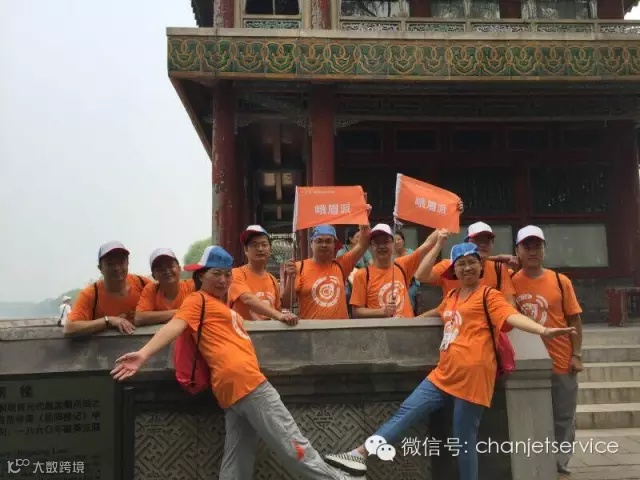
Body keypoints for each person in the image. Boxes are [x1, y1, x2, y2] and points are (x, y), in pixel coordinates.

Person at [325, 243, 576, 480]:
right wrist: (407, 322)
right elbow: (437, 312)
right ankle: (360, 454)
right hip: (444, 373)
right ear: (453, 270)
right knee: (406, 412)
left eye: (471, 262)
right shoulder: (453, 295)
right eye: (461, 264)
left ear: (480, 266)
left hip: (473, 375)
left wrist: (543, 331)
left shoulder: (489, 295)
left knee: (463, 440)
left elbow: (511, 316)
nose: (467, 268)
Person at [110, 245, 357, 480]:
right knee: (296, 448)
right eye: (216, 274)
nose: (223, 280)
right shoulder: (197, 300)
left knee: (236, 460)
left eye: (227, 274)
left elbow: (245, 309)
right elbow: (175, 326)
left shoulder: (222, 304)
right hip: (248, 384)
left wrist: (277, 314)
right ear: (201, 275)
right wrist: (143, 354)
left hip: (232, 391)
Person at [510, 225, 583, 479]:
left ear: (544, 249)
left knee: (563, 416)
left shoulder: (560, 281)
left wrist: (577, 354)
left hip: (561, 359)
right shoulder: (510, 282)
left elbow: (574, 320)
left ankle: (560, 463)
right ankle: (536, 462)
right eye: (527, 246)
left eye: (537, 246)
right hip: (526, 361)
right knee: (531, 416)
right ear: (517, 251)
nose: (533, 251)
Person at [350, 225, 448, 319]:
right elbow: (356, 311)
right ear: (371, 246)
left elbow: (426, 245)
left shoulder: (402, 265)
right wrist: (381, 311)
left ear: (393, 244)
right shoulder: (362, 275)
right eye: (377, 243)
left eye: (386, 242)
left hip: (407, 328)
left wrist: (445, 224)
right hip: (380, 330)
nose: (382, 246)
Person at [415, 222, 517, 308]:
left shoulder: (498, 268)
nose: (482, 244)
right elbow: (420, 276)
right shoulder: (448, 265)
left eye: (486, 241)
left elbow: (510, 305)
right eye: (477, 240)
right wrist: (438, 245)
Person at [281, 223, 371, 320]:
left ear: (334, 245)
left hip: (340, 328)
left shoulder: (342, 264)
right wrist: (290, 278)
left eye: (328, 241)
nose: (324, 245)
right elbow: (286, 304)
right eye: (319, 241)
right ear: (311, 244)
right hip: (311, 328)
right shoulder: (299, 267)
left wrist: (364, 223)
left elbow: (363, 244)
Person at [64, 241, 151, 337]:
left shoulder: (143, 284)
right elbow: (70, 328)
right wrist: (108, 320)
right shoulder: (91, 295)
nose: (117, 268)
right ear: (100, 268)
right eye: (110, 264)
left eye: (121, 262)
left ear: (128, 263)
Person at [229, 225, 298, 325]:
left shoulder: (272, 279)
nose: (260, 249)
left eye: (264, 245)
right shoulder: (236, 273)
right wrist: (279, 315)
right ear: (246, 250)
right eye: (254, 245)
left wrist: (291, 278)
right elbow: (247, 299)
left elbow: (282, 306)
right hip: (243, 332)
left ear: (270, 250)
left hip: (268, 333)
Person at [134, 248, 195, 326]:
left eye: (170, 266)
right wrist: (178, 312)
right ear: (154, 276)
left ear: (179, 269)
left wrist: (159, 319)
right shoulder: (151, 289)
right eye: (160, 269)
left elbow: (199, 313)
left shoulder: (192, 286)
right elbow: (139, 318)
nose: (166, 271)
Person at [337, 228, 373, 316]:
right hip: (347, 281)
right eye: (358, 237)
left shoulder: (364, 250)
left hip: (361, 279)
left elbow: (371, 263)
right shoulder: (342, 251)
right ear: (350, 239)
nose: (361, 239)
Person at [393, 230, 421, 314]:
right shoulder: (391, 256)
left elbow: (416, 269)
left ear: (403, 241)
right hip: (397, 281)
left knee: (408, 294)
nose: (397, 242)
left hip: (412, 282)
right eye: (394, 240)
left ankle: (409, 313)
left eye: (399, 239)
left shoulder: (410, 253)